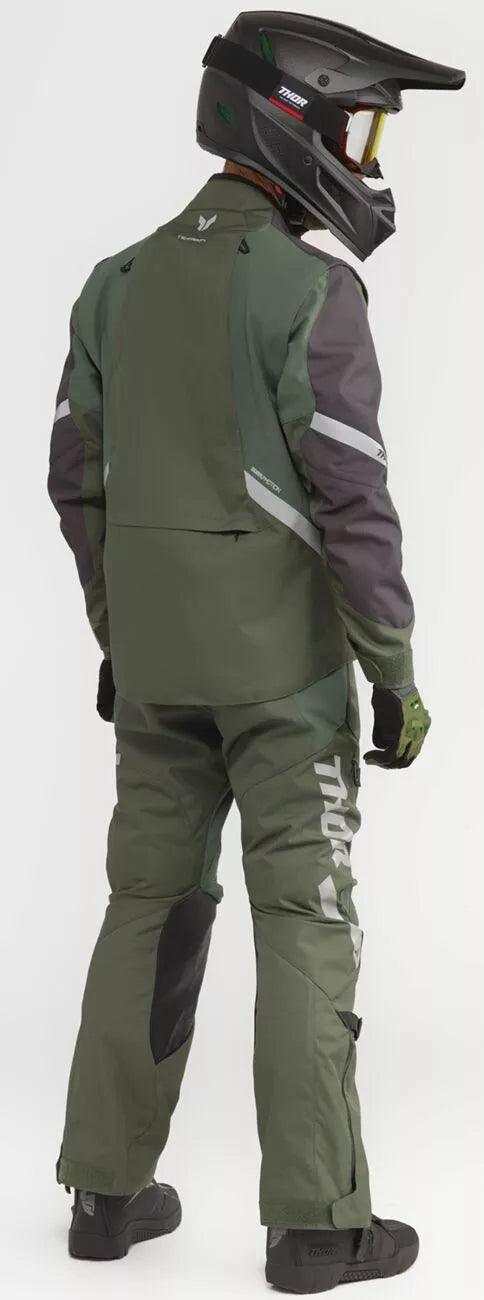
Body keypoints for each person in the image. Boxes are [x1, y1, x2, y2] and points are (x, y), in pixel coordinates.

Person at [48, 11, 464, 1291]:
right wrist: (392, 674)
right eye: (357, 130)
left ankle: (103, 1197)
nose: (366, 157)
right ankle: (317, 1223)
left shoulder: (114, 282)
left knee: (146, 905)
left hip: (155, 673)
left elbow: (75, 484)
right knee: (303, 918)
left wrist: (121, 633)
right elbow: (355, 503)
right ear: (293, 124)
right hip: (285, 684)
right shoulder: (311, 291)